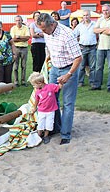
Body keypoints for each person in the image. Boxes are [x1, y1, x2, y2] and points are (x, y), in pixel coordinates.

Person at [36, 13, 82, 145]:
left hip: (69, 68)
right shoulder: (47, 32)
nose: (43, 32)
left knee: (67, 103)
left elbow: (78, 58)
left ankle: (65, 134)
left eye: (44, 29)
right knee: (51, 99)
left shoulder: (67, 35)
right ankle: (55, 127)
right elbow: (49, 47)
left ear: (52, 24)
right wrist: (48, 58)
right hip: (55, 68)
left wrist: (69, 75)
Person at [91, 4, 110, 93]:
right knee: (99, 67)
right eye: (103, 10)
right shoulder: (100, 19)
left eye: (107, 10)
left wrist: (101, 30)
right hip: (101, 47)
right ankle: (97, 85)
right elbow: (94, 30)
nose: (105, 12)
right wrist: (105, 29)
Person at [29, 72, 63, 144]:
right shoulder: (38, 92)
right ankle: (38, 135)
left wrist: (61, 82)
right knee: (40, 123)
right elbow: (36, 100)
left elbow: (59, 87)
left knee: (49, 124)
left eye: (34, 85)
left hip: (50, 111)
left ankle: (46, 136)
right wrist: (34, 108)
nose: (34, 87)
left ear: (40, 83)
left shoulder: (51, 87)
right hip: (41, 111)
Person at [73, 10, 98, 87]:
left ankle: (92, 82)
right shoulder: (79, 26)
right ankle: (80, 82)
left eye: (87, 15)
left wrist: (98, 44)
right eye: (84, 15)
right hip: (82, 48)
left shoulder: (95, 24)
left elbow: (99, 35)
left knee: (92, 66)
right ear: (82, 17)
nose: (86, 17)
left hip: (92, 47)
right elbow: (73, 35)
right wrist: (77, 45)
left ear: (90, 16)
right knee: (81, 66)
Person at [10, 15, 30, 86]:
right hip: (16, 48)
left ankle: (23, 81)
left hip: (24, 48)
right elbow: (13, 39)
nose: (18, 22)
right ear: (15, 21)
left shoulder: (26, 28)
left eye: (19, 20)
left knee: (24, 66)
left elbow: (27, 37)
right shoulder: (13, 29)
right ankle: (16, 81)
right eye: (16, 20)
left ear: (22, 21)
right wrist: (22, 38)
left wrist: (18, 37)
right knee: (15, 66)